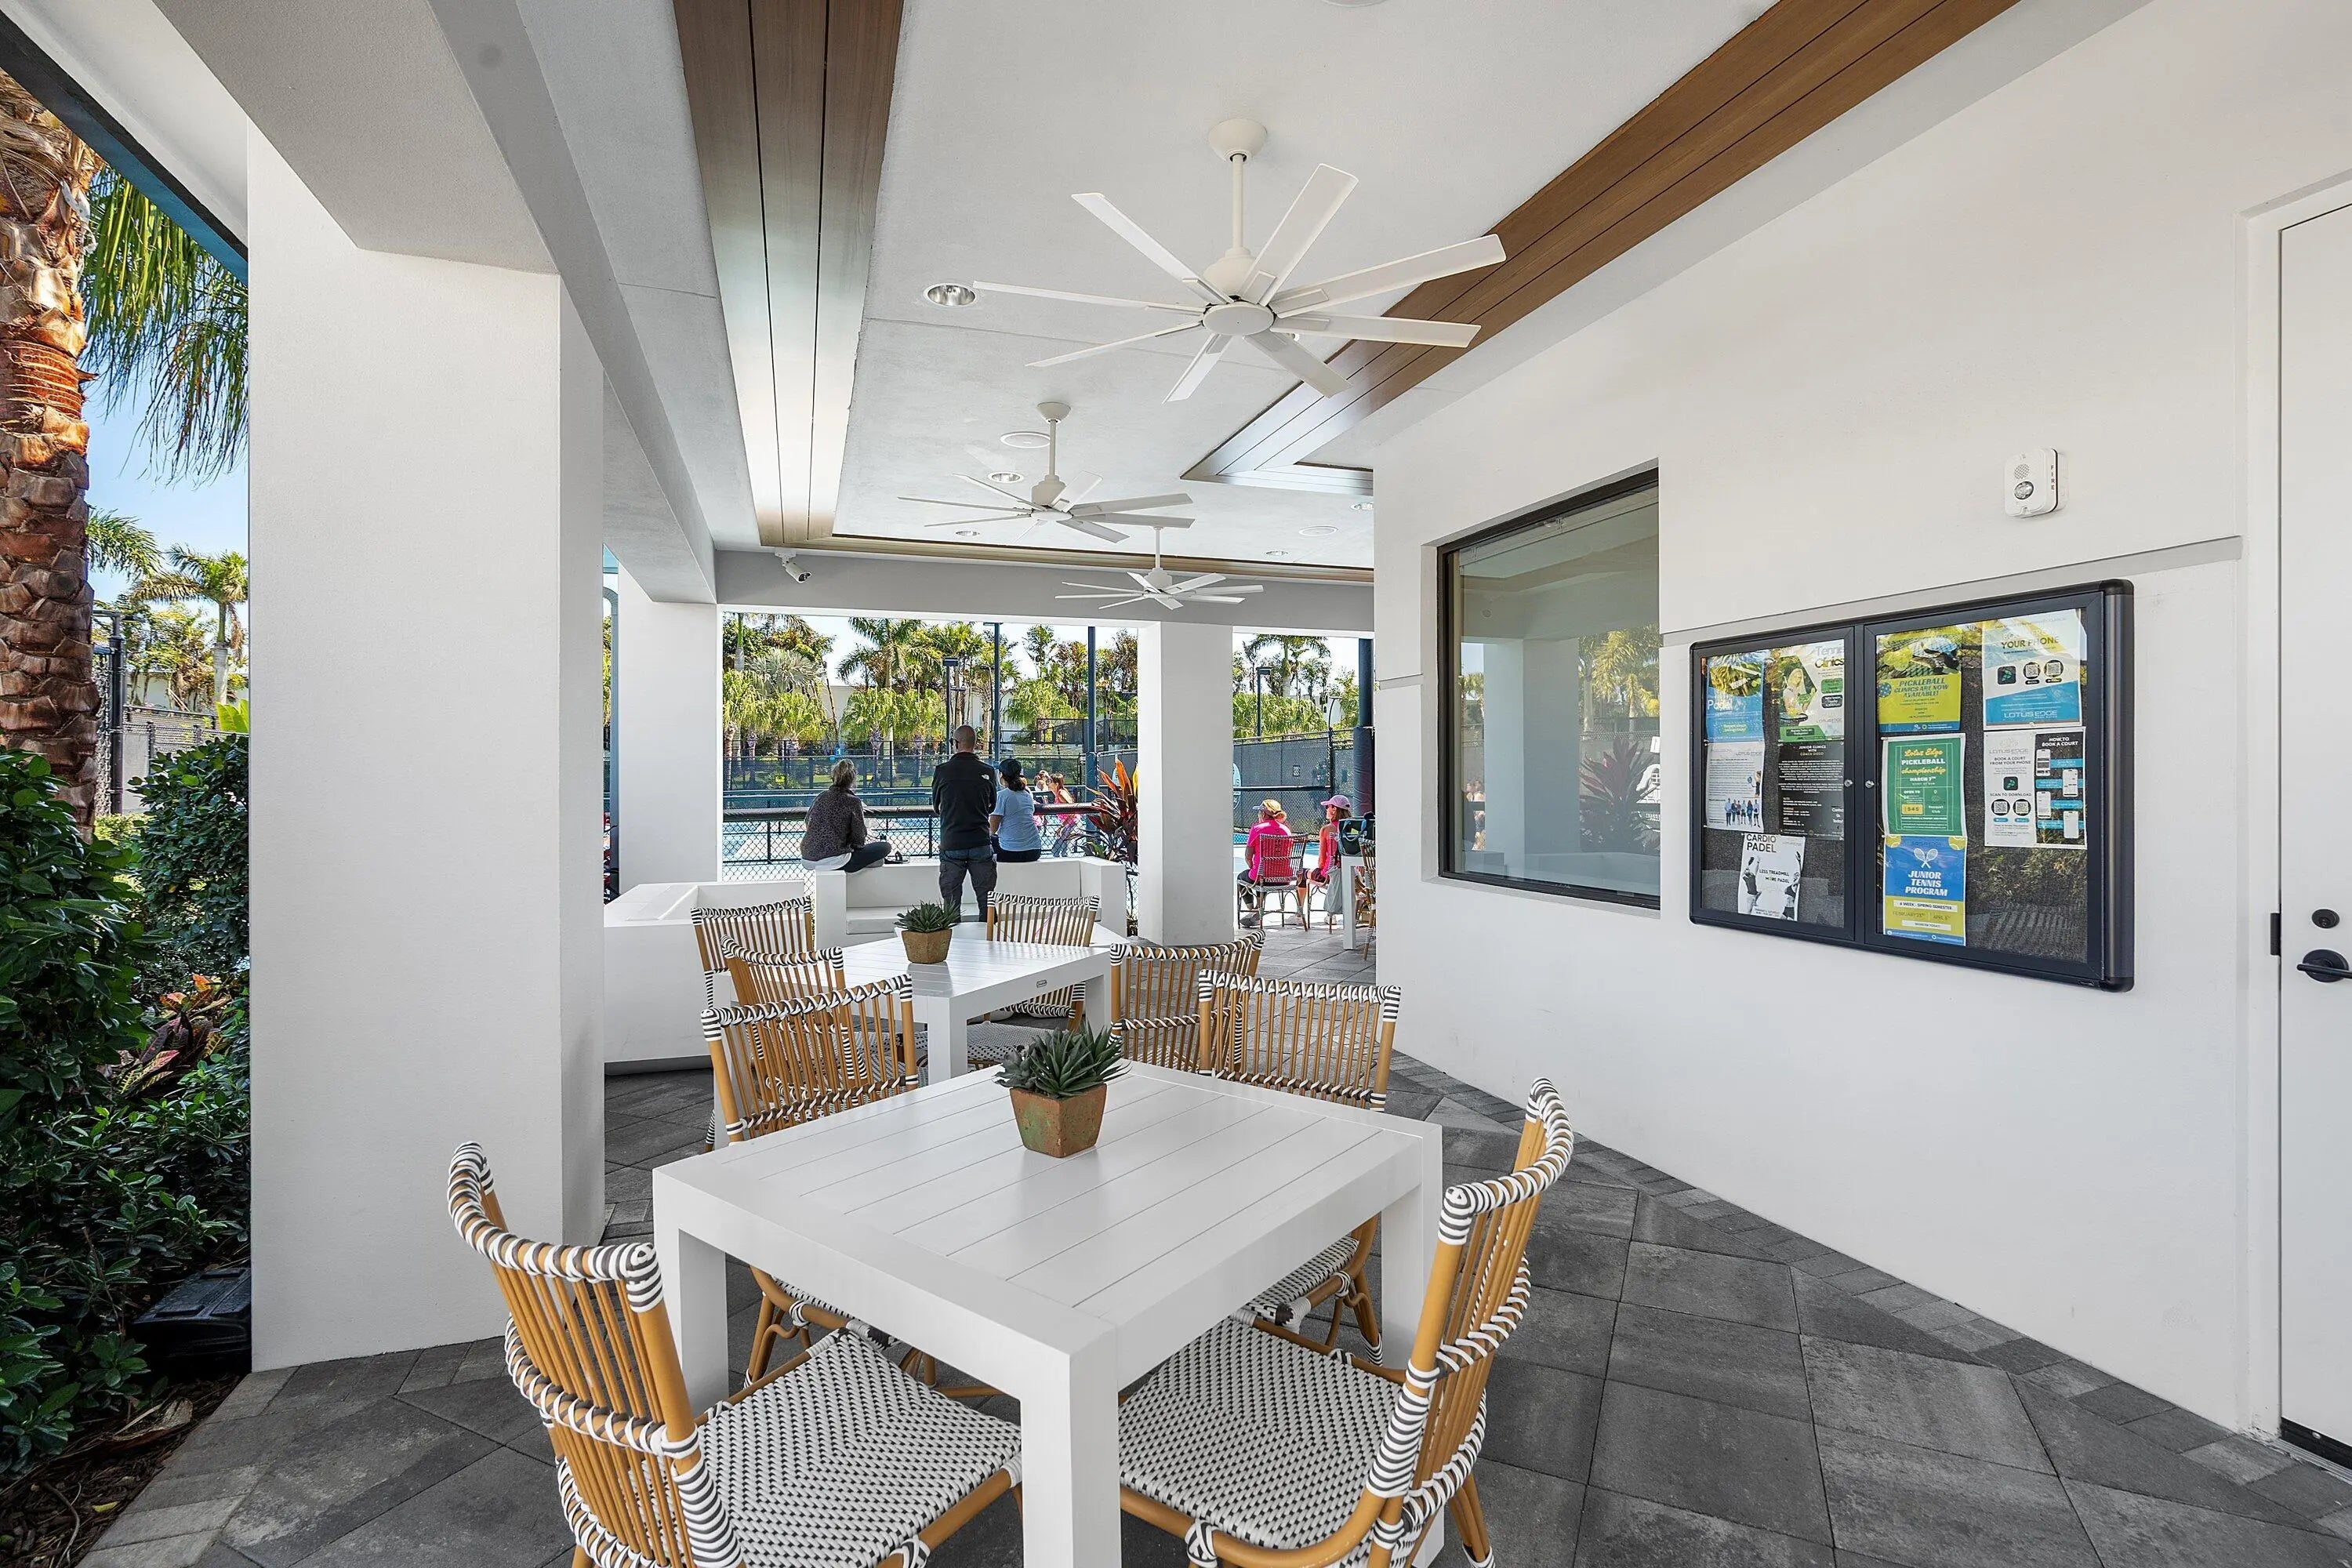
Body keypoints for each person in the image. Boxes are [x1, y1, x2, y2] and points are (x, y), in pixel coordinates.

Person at [932, 724, 998, 920]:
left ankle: (952, 938)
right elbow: (992, 806)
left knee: (951, 905)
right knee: (987, 901)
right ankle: (990, 937)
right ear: (975, 743)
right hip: (980, 841)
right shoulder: (987, 771)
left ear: (956, 743)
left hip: (952, 841)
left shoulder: (942, 771)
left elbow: (936, 806)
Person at [800, 760, 891, 873]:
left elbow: (807, 821)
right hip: (836, 860)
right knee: (885, 847)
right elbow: (859, 837)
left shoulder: (820, 797)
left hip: (808, 858)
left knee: (876, 859)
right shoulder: (853, 801)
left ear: (833, 778)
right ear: (853, 780)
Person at [1236, 800, 1296, 927]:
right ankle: (1257, 911)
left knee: (1243, 877)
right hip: (1284, 878)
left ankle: (1253, 910)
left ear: (1263, 814)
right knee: (1262, 875)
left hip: (1262, 877)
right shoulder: (1286, 830)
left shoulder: (1257, 829)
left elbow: (1248, 856)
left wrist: (1253, 868)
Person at [991, 757, 1044, 863]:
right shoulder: (1027, 795)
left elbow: (992, 829)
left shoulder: (1001, 796)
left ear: (1001, 775)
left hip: (1010, 852)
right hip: (1035, 851)